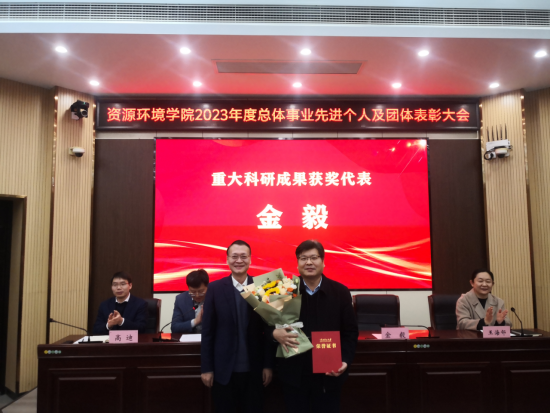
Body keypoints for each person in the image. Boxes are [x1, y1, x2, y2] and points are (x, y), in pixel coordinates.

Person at [273, 240, 358, 413]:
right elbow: (268, 323)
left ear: (323, 261)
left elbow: (350, 331)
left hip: (328, 373)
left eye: (314, 257)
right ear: (297, 263)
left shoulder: (340, 292)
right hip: (294, 374)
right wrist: (274, 333)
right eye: (303, 258)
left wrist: (345, 360)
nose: (309, 262)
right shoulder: (284, 290)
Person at [200, 240, 273, 413]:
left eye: (243, 256)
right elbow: (208, 332)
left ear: (250, 259)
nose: (239, 260)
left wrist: (268, 365)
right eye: (234, 256)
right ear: (227, 259)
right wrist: (207, 368)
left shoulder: (262, 287)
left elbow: (270, 329)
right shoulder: (215, 288)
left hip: (255, 370)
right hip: (223, 371)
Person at [171, 269, 209, 334]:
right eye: (193, 292)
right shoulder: (181, 300)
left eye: (201, 291)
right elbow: (174, 327)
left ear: (207, 287)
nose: (197, 295)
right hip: (190, 339)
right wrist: (195, 321)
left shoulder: (216, 297)